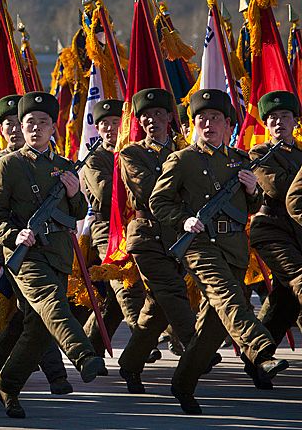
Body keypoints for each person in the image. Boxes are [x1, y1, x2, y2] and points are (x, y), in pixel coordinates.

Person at [149, 88, 288, 414]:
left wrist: (253, 189)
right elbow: (158, 201)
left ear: (228, 125)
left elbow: (249, 205)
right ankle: (261, 350)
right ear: (193, 124)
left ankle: (183, 384)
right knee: (230, 299)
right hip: (200, 247)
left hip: (235, 249)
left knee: (213, 328)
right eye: (201, 120)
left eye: (215, 119)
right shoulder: (182, 160)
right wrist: (183, 221)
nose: (208, 125)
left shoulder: (239, 161)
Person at [0, 91, 106, 419]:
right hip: (25, 254)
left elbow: (78, 211)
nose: (35, 128)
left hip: (58, 254)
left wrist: (73, 191)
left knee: (39, 327)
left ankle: (8, 383)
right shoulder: (8, 165)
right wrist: (14, 234)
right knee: (54, 304)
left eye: (43, 123)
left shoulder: (64, 166)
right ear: (21, 128)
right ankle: (83, 355)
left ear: (54, 127)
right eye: (29, 123)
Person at [0, 95, 73, 396]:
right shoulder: (0, 162)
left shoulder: (54, 164)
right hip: (13, 248)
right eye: (10, 125)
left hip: (47, 250)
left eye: (40, 123)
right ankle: (55, 375)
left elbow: (77, 209)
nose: (18, 131)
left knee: (27, 315)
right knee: (37, 313)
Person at [116, 88, 195, 394]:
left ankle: (130, 365)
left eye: (158, 114)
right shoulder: (132, 153)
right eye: (145, 116)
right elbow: (150, 193)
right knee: (172, 291)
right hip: (147, 235)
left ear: (169, 118)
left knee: (157, 308)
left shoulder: (185, 151)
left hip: (178, 236)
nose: (152, 120)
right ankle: (195, 344)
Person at [245, 91, 302, 388]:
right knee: (299, 280)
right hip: (272, 230)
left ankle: (256, 356)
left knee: (286, 303)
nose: (279, 122)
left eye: (284, 117)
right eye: (272, 118)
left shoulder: (300, 154)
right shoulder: (260, 153)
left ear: (295, 121)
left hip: (298, 232)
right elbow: (278, 188)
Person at [80, 99, 146, 356]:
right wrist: (137, 180)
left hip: (135, 224)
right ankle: (142, 336)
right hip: (107, 228)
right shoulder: (95, 158)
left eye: (115, 123)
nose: (110, 128)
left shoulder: (134, 152)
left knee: (112, 304)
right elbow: (106, 194)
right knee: (122, 277)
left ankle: (89, 347)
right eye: (104, 124)